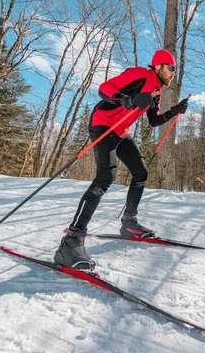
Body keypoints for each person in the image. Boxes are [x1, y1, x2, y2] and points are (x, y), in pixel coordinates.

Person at [54, 49, 189, 270]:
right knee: (105, 177)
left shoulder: (157, 90)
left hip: (121, 131)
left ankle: (129, 222)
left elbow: (154, 120)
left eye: (175, 69)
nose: (173, 73)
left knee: (141, 172)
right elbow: (104, 89)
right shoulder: (138, 74)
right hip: (103, 123)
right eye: (171, 67)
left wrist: (174, 111)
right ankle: (71, 242)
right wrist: (127, 100)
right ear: (157, 66)